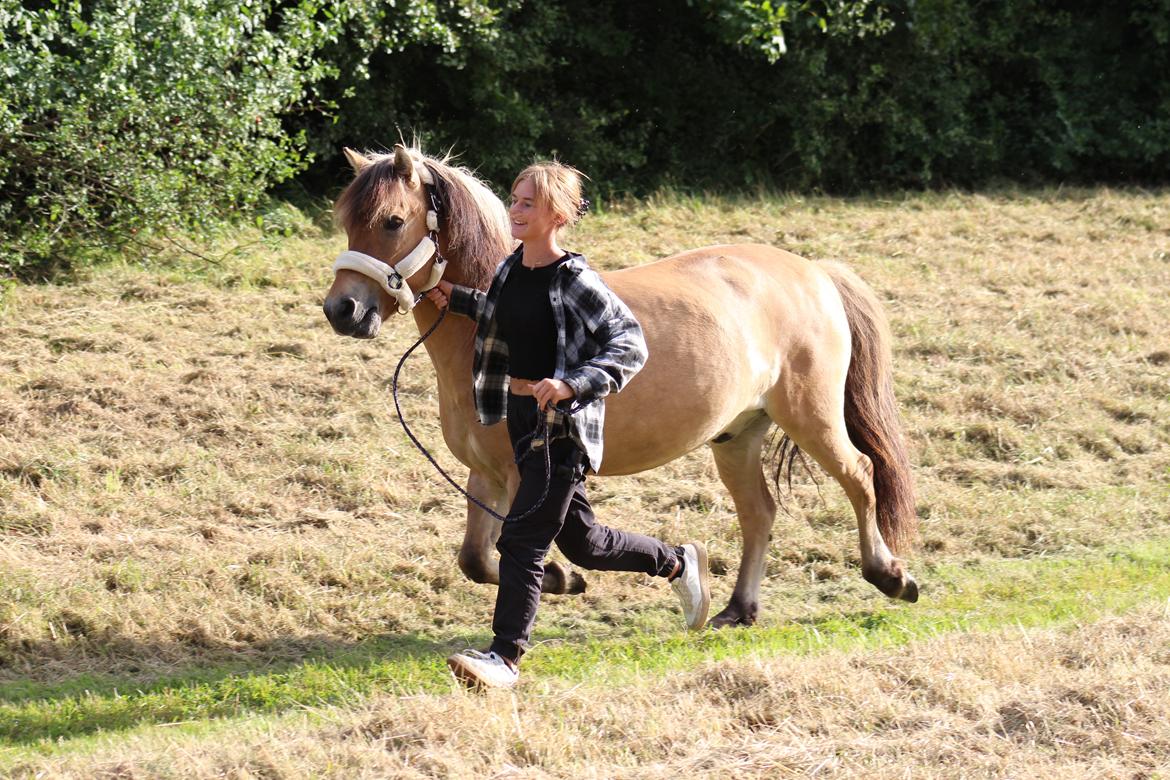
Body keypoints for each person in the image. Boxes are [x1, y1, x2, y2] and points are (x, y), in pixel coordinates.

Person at [425, 161, 711, 690]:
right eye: (514, 199)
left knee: (523, 538)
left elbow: (630, 343)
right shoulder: (512, 270)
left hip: (561, 428)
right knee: (583, 543)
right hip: (520, 418)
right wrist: (458, 299)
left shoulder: (575, 279)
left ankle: (504, 658)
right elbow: (504, 316)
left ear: (557, 214)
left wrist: (576, 385)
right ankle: (676, 562)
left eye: (528, 202)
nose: (515, 209)